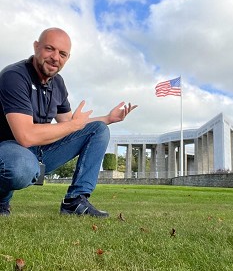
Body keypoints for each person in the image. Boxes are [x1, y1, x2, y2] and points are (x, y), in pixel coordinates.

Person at [0, 27, 137, 217]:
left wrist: (107, 118)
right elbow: (25, 136)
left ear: (67, 58)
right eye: (50, 49)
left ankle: (75, 201)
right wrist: (72, 125)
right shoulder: (14, 76)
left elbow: (70, 123)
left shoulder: (58, 83)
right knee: (21, 167)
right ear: (36, 47)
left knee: (98, 130)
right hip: (10, 148)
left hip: (40, 149)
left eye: (62, 54)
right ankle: (1, 201)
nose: (56, 57)